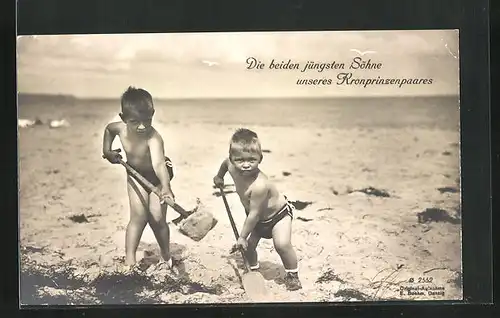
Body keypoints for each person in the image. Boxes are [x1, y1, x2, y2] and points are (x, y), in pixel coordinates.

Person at [213, 128, 302, 291]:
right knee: (249, 246)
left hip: (277, 217)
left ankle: (292, 274)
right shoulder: (230, 165)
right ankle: (252, 269)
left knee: (282, 244)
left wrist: (242, 237)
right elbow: (224, 165)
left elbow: (254, 214)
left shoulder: (260, 185)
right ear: (232, 158)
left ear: (260, 158)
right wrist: (219, 177)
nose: (245, 164)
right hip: (258, 219)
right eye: (239, 160)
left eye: (251, 160)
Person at [102, 86, 177, 274]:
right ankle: (130, 261)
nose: (142, 126)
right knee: (138, 217)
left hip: (158, 177)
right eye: (135, 121)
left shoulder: (154, 137)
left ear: (153, 114)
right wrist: (107, 151)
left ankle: (166, 256)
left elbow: (159, 164)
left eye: (147, 120)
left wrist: (166, 188)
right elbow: (108, 130)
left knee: (158, 218)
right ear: (123, 118)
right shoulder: (119, 128)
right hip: (135, 174)